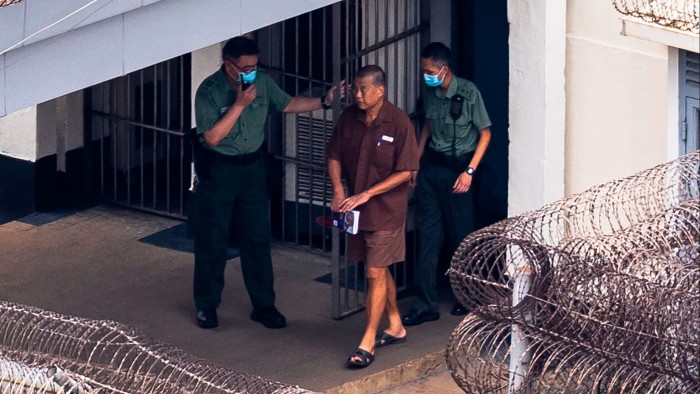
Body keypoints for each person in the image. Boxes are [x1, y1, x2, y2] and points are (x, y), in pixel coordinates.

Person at [193, 36, 343, 329]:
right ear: (229, 65)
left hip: (252, 167)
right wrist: (238, 105)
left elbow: (285, 103)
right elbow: (211, 138)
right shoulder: (209, 91)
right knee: (213, 238)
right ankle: (206, 304)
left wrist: (324, 101)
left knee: (257, 237)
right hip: (220, 168)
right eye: (245, 67)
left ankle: (263, 305)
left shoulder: (261, 82)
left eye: (254, 65)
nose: (251, 71)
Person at [327, 65, 419, 368]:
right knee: (376, 268)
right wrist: (339, 191)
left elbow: (407, 170)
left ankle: (367, 341)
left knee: (374, 273)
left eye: (364, 89)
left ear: (381, 90)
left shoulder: (399, 122)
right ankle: (395, 325)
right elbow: (334, 155)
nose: (357, 94)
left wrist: (369, 193)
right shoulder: (349, 118)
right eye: (355, 88)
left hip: (388, 211)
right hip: (356, 209)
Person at [401, 42, 492, 326]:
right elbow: (427, 126)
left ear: (444, 69)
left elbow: (485, 134)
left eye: (430, 71)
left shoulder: (468, 93)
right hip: (433, 169)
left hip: (458, 171)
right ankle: (425, 304)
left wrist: (469, 172)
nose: (426, 75)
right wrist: (415, 161)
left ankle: (466, 297)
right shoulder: (431, 92)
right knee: (428, 239)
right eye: (423, 71)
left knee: (461, 238)